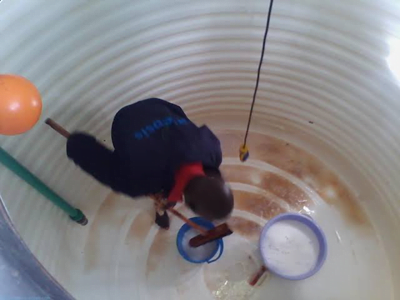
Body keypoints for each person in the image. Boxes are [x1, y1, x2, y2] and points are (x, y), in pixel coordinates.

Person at [66, 98, 234, 229]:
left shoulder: (212, 149)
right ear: (188, 203)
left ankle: (163, 206)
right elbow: (101, 163)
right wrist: (76, 145)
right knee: (145, 174)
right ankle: (163, 205)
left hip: (159, 108)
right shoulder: (139, 181)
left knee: (182, 137)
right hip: (126, 123)